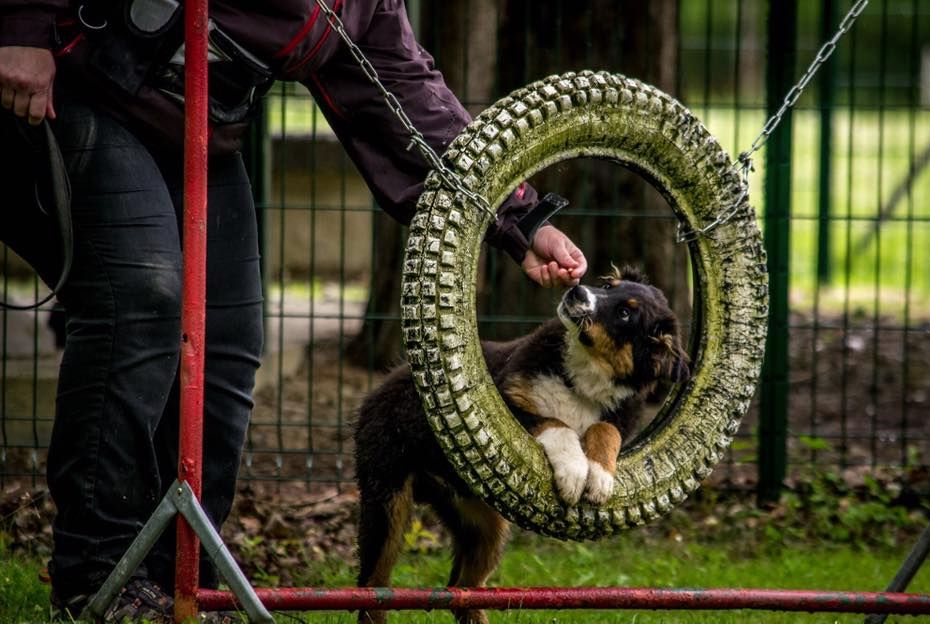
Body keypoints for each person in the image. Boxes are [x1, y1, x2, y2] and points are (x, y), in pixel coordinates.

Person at [0, 0, 588, 620]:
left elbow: (405, 92)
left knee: (227, 341)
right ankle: (99, 580)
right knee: (140, 299)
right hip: (82, 84)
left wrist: (520, 221)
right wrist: (21, 26)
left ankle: (181, 584)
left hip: (200, 124)